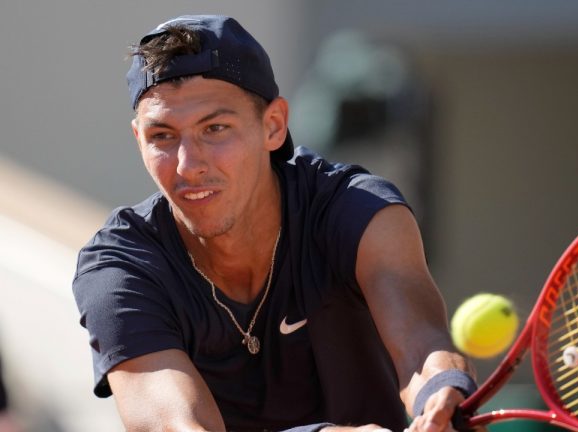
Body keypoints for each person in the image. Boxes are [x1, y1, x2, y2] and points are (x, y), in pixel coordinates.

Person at [73, 15, 476, 432]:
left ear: (273, 126)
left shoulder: (359, 209)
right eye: (162, 136)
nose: (187, 165)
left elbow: (422, 349)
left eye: (215, 129)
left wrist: (440, 393)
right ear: (139, 138)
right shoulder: (118, 269)